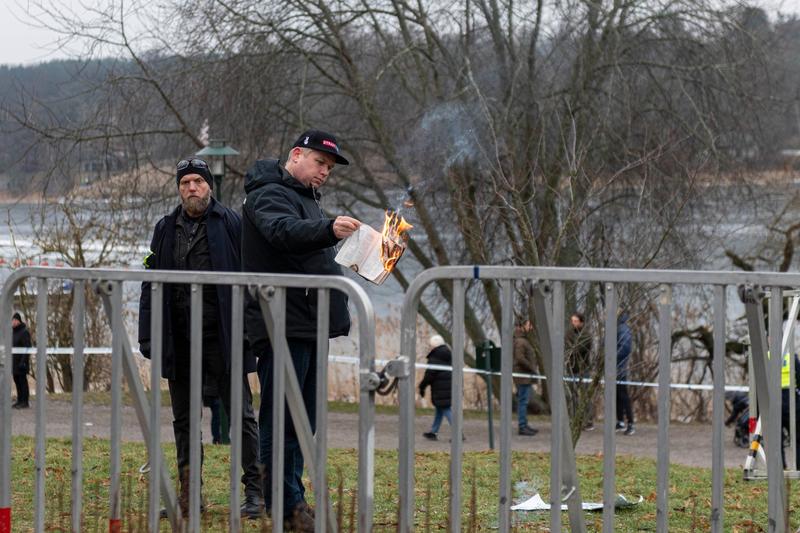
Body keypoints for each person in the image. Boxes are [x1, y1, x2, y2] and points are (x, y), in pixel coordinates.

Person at [242, 129, 360, 531]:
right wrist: (329, 230)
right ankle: (284, 504)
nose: (324, 172)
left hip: (307, 322)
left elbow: (309, 254)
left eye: (329, 167)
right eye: (320, 163)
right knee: (282, 415)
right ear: (296, 155)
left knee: (302, 417)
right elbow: (282, 233)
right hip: (282, 323)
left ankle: (292, 498)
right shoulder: (269, 194)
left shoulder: (305, 200)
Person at [137, 158, 263, 519]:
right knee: (184, 421)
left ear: (210, 186)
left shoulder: (232, 224)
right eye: (185, 183)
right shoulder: (164, 228)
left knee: (241, 416)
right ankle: (191, 498)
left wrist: (250, 333)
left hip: (223, 337)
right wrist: (149, 335)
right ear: (179, 188)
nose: (192, 188)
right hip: (178, 338)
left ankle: (255, 493)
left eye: (198, 182)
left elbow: (250, 280)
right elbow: (150, 282)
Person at [419, 335, 453, 441]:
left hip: (440, 387)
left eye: (430, 345)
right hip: (448, 386)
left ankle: (458, 432)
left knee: (446, 409)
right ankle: (433, 432)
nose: (430, 347)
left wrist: (422, 386)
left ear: (434, 346)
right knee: (440, 408)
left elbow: (429, 374)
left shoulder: (435, 357)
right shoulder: (448, 354)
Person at [566, 312, 594, 429]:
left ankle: (588, 421)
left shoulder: (586, 336)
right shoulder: (568, 334)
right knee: (572, 396)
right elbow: (566, 348)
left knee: (585, 396)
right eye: (572, 321)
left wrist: (570, 342)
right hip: (571, 369)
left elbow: (577, 348)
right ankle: (574, 419)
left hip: (583, 370)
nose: (573, 324)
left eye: (576, 321)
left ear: (581, 322)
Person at [513, 320, 538, 436]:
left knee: (523, 400)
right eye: (529, 325)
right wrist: (531, 368)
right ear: (522, 326)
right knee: (523, 401)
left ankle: (524, 424)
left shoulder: (522, 340)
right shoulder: (520, 341)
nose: (531, 327)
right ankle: (522, 426)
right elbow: (519, 358)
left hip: (524, 375)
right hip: (522, 375)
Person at [616, 313, 635, 435]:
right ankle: (620, 421)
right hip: (614, 368)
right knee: (617, 395)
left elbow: (625, 348)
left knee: (623, 396)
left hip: (619, 368)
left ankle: (631, 423)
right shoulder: (616, 327)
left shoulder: (623, 329)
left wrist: (611, 357)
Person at [11, 312, 31, 409]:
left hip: (21, 362)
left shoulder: (24, 332)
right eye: (12, 320)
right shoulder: (12, 333)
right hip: (14, 363)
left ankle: (25, 401)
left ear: (19, 321)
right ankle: (19, 400)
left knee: (23, 381)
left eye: (15, 320)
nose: (13, 322)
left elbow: (27, 347)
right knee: (17, 381)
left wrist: (23, 361)